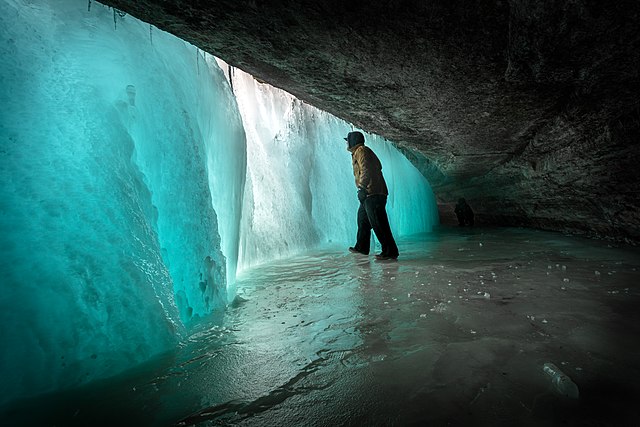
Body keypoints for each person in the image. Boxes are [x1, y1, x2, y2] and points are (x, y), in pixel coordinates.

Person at [345, 131, 399, 260]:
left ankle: (390, 251)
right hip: (369, 193)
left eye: (348, 140)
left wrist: (363, 187)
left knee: (378, 223)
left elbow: (366, 169)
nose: (346, 143)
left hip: (373, 193)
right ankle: (362, 247)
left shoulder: (361, 150)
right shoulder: (358, 152)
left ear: (353, 140)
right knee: (363, 220)